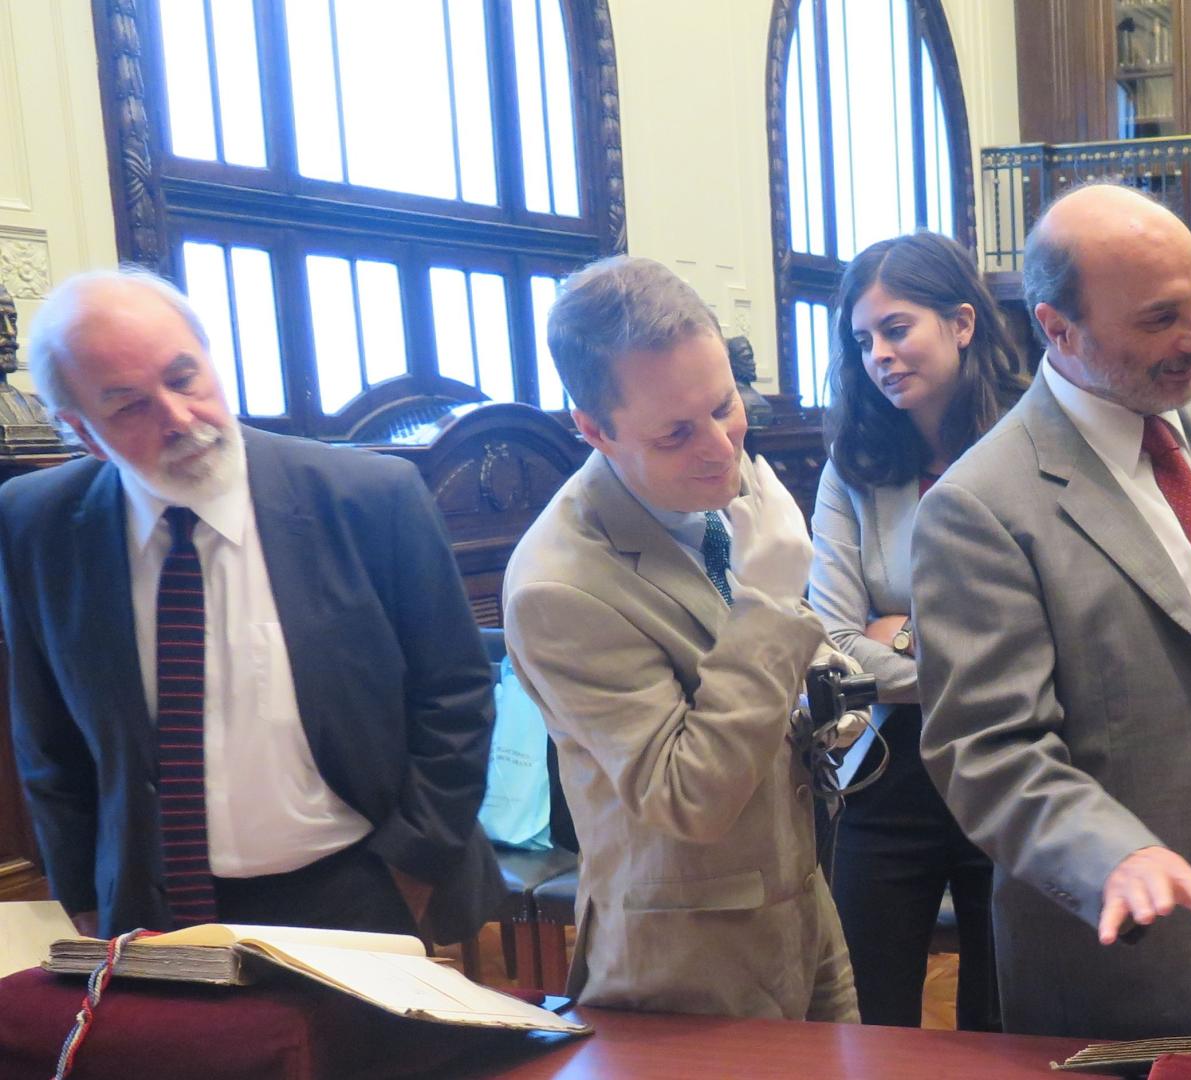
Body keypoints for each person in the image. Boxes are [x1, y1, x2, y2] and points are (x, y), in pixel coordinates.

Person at [911, 184, 1191, 1041]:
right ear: (1059, 330)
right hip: (1143, 910)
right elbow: (988, 749)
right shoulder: (981, 504)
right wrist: (1110, 853)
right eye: (1162, 319)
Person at [3, 268, 502, 942]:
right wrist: (87, 896)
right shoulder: (37, 526)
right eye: (128, 406)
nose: (178, 418)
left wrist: (410, 868)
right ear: (84, 432)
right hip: (155, 909)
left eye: (184, 379)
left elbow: (456, 694)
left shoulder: (369, 498)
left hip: (357, 887)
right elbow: (46, 736)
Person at [502, 254, 858, 1020]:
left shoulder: (715, 480)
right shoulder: (557, 587)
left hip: (799, 906)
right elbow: (687, 795)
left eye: (727, 407)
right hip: (682, 963)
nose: (721, 449)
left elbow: (769, 666)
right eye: (676, 432)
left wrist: (826, 682)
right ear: (595, 430)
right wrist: (769, 606)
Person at [809, 231, 1025, 1030]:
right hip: (885, 767)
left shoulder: (1033, 445)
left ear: (962, 322)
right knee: (869, 1018)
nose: (879, 356)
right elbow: (830, 643)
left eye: (897, 329)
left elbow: (1045, 636)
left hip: (1014, 760)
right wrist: (956, 650)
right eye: (862, 340)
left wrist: (897, 634)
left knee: (1003, 1026)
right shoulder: (852, 464)